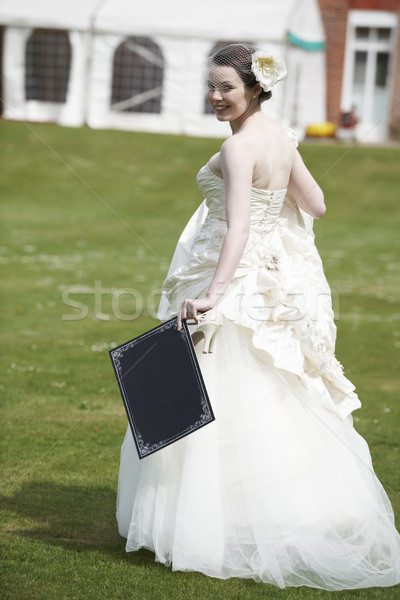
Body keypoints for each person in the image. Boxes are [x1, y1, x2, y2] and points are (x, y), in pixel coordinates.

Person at [116, 43, 400, 590]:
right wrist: (277, 210)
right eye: (212, 84)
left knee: (217, 396)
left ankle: (215, 523)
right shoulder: (281, 136)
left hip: (235, 279)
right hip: (268, 277)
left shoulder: (243, 147)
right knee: (271, 391)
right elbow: (315, 203)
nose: (215, 96)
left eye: (226, 86)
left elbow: (239, 228)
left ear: (254, 87)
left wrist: (214, 294)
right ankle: (282, 514)